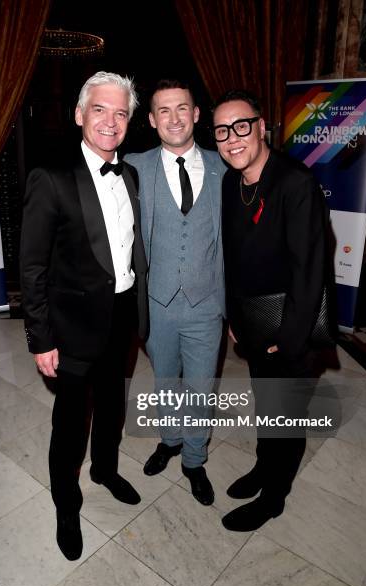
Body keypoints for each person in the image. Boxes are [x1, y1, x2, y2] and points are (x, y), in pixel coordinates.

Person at [20, 71, 148, 560]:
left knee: (113, 404)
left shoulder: (130, 174)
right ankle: (66, 503)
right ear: (79, 115)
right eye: (100, 109)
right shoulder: (50, 179)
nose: (110, 121)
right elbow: (31, 267)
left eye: (120, 113)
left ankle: (106, 469)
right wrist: (40, 338)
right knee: (70, 422)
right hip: (71, 326)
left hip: (121, 314)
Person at [213, 89, 329, 531]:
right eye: (222, 130)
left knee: (285, 414)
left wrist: (289, 338)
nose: (232, 138)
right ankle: (264, 468)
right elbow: (234, 257)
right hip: (252, 321)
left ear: (262, 127)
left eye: (241, 125)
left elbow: (309, 270)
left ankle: (274, 497)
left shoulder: (295, 183)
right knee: (267, 406)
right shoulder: (231, 182)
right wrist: (234, 318)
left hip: (288, 327)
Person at [125, 79, 226, 505]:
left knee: (201, 387)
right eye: (163, 111)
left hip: (207, 301)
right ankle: (169, 440)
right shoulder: (133, 165)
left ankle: (194, 458)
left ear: (196, 113)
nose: (174, 118)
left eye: (181, 108)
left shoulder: (225, 165)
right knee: (165, 380)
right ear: (150, 120)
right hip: (154, 302)